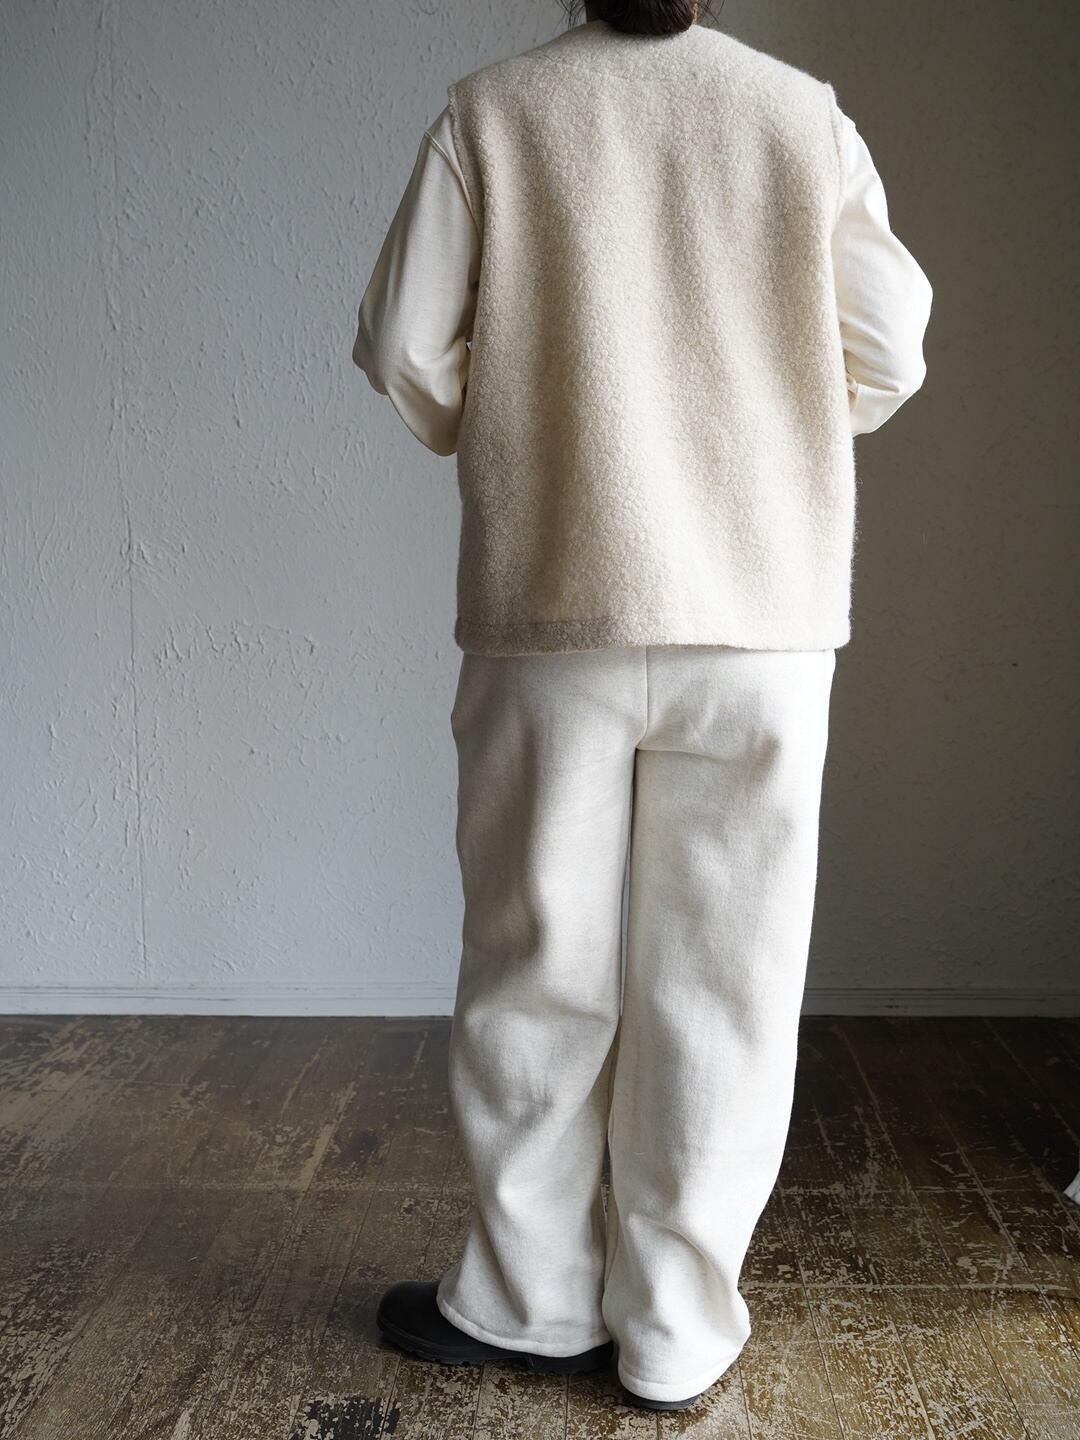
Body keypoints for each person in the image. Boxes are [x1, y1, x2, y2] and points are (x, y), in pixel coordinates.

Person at [351, 0, 932, 1414]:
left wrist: (509, 424)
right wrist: (773, 432)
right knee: (726, 987)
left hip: (555, 605)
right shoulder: (801, 117)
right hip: (763, 618)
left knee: (536, 965)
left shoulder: (494, 113)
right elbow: (892, 348)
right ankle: (674, 1327)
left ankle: (530, 1297)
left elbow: (405, 347)